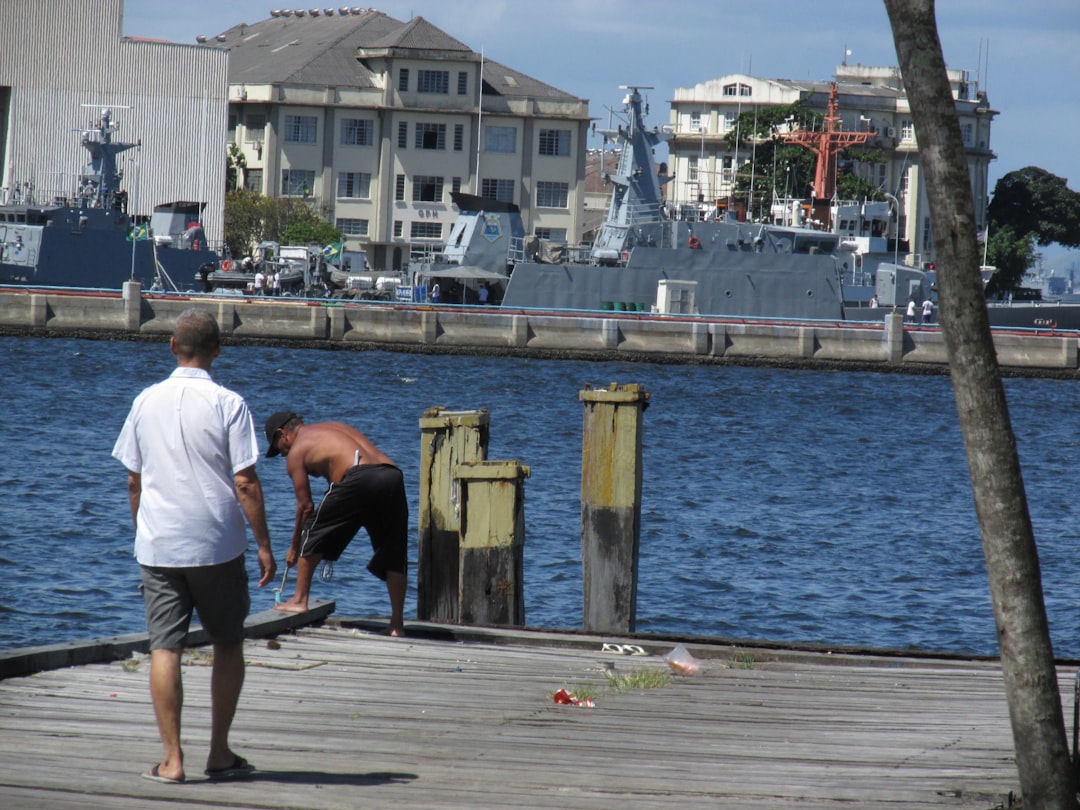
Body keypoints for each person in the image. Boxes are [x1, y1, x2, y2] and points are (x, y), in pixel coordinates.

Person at [112, 309, 275, 785]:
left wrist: (142, 529)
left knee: (166, 648)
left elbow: (133, 479)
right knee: (227, 642)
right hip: (217, 542)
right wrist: (264, 544)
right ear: (217, 351)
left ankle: (172, 760)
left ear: (171, 346)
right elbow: (244, 482)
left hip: (160, 542)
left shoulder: (144, 401)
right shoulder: (229, 403)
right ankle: (219, 752)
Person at [264, 411, 407, 637]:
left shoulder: (297, 451)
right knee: (393, 551)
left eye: (279, 448)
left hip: (360, 476)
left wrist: (294, 547)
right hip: (391, 474)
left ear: (284, 434)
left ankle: (300, 599)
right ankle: (397, 625)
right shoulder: (331, 427)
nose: (283, 455)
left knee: (310, 530)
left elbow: (305, 506)